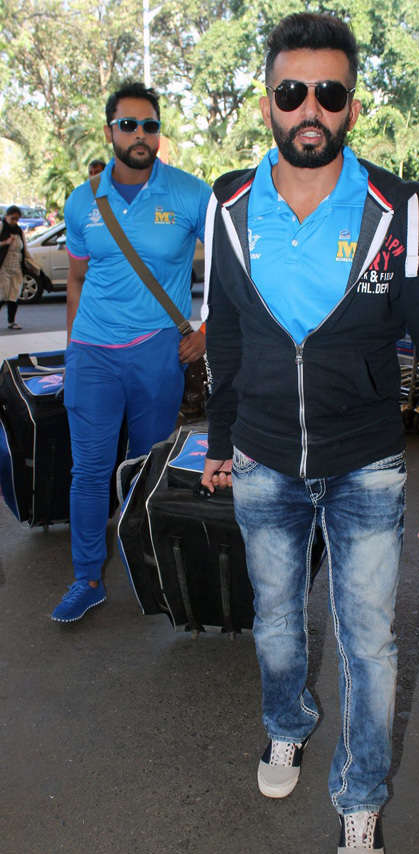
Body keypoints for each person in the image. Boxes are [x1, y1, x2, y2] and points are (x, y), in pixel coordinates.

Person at [200, 13, 419, 854]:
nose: (308, 108)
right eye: (291, 92)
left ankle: (361, 795)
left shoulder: (403, 209)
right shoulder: (229, 205)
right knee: (276, 623)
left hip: (366, 464)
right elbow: (230, 337)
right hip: (262, 460)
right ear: (269, 102)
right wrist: (216, 440)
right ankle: (288, 717)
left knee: (368, 642)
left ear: (352, 105)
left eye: (328, 92)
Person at [51, 82, 210, 624]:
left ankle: (153, 570)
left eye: (149, 125)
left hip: (156, 353)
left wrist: (207, 331)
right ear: (109, 131)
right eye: (128, 125)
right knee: (90, 471)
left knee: (147, 469)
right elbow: (75, 280)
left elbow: (238, 266)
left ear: (158, 134)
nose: (139, 135)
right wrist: (73, 352)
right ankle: (87, 578)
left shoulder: (191, 194)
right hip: (93, 353)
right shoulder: (82, 200)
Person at [0, 204, 40, 329]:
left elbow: (25, 250)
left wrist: (32, 263)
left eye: (17, 219)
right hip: (3, 266)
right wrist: (5, 242)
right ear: (6, 216)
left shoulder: (18, 231)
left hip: (16, 266)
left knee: (14, 294)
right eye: (12, 218)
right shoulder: (1, 227)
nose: (14, 221)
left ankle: (11, 321)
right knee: (2, 294)